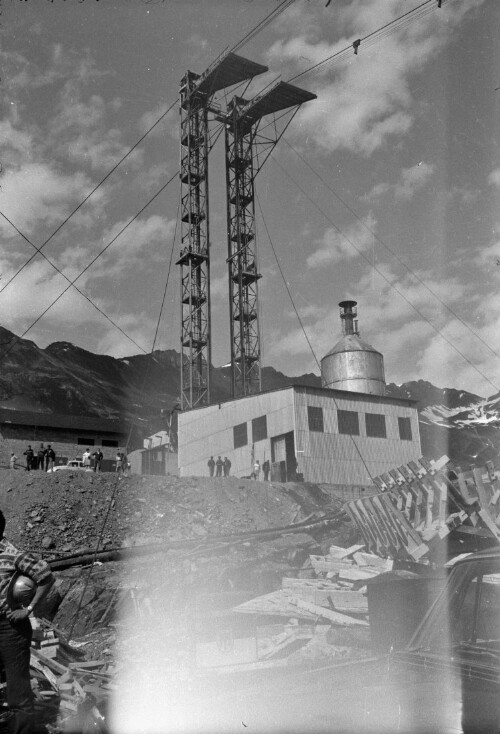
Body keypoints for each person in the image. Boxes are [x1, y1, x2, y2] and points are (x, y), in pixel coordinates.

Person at [0, 509, 54, 733]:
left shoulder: (14, 555)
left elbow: (46, 577)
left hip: (9, 627)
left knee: (17, 688)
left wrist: (28, 609)